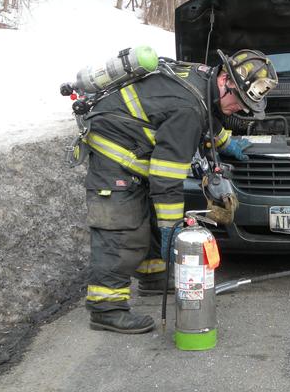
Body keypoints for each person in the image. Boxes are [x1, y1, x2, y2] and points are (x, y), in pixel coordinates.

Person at [83, 49, 278, 334]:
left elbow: (207, 122)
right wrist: (171, 230)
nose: (242, 109)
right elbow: (166, 177)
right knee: (123, 231)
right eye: (240, 101)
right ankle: (106, 308)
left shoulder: (203, 80)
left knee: (147, 217)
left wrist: (226, 144)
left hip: (136, 143)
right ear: (226, 81)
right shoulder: (188, 107)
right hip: (114, 152)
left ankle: (154, 279)